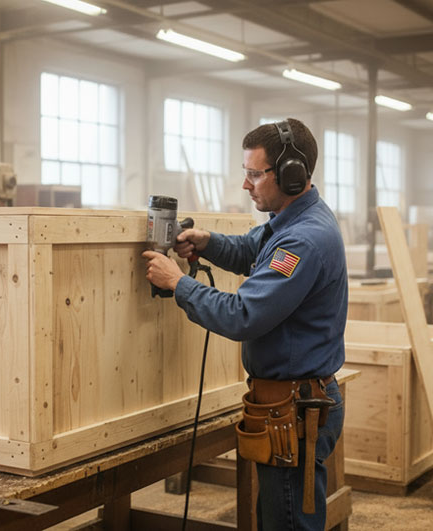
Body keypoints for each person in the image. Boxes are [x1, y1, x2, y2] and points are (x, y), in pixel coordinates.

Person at [143, 118, 347, 530]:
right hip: (286, 404)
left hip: (293, 408)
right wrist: (206, 242)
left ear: (292, 174)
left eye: (254, 174)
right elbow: (249, 247)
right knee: (279, 516)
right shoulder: (290, 222)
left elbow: (243, 316)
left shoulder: (303, 240)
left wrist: (177, 283)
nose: (246, 184)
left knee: (287, 521)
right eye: (246, 173)